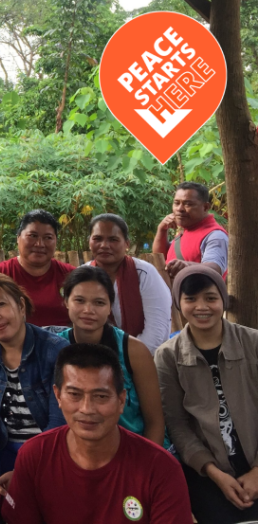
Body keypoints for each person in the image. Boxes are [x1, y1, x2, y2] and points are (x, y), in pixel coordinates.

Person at [2, 345, 192, 523]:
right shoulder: (35, 456)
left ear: (121, 400)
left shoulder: (161, 469)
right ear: (58, 396)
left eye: (100, 396)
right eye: (74, 394)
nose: (86, 409)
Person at [156, 265, 258, 523]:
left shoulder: (253, 343)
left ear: (222, 300)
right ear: (179, 303)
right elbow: (177, 424)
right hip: (207, 473)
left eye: (211, 298)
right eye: (190, 299)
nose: (201, 306)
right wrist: (214, 473)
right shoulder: (168, 356)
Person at [0, 272, 68, 499]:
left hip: (48, 454)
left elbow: (59, 420)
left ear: (20, 305)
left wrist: (25, 471)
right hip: (3, 454)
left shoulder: (55, 350)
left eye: (1, 304)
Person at [56, 266, 166, 446]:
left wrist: (145, 468)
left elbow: (155, 421)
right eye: (79, 300)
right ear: (66, 302)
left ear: (110, 307)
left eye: (99, 302)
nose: (88, 310)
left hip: (133, 450)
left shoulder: (134, 351)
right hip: (75, 453)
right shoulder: (55, 348)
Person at [87, 213, 171, 353]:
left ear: (127, 243)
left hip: (143, 358)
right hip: (94, 357)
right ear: (89, 242)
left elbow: (157, 331)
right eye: (97, 239)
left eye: (113, 239)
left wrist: (128, 361)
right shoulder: (83, 275)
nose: (104, 245)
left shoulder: (144, 273)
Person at [0, 209, 75, 327]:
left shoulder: (71, 275)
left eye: (48, 237)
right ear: (18, 238)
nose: (39, 244)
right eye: (33, 236)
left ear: (56, 241)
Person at [153, 181, 228, 279]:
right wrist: (162, 230)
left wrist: (186, 266)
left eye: (188, 204)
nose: (180, 209)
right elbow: (160, 258)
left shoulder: (216, 236)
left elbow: (214, 268)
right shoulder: (185, 231)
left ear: (205, 207)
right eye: (176, 203)